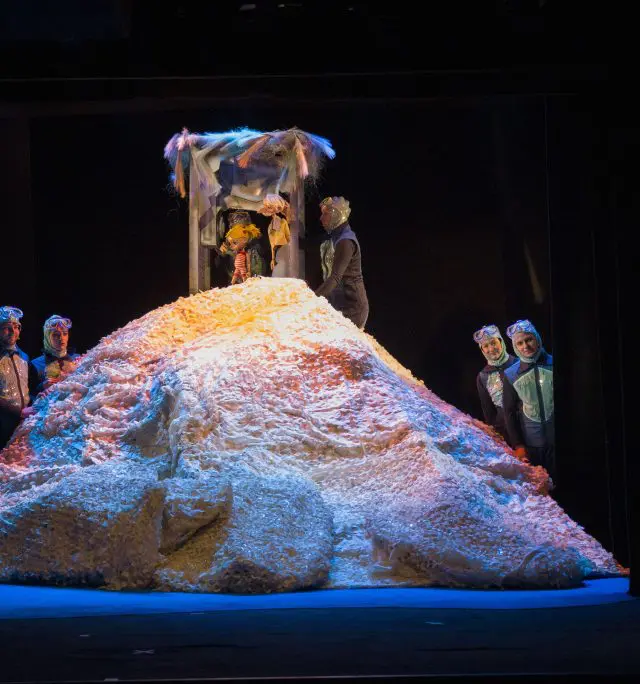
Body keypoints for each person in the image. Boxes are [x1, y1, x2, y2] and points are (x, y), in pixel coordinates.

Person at [503, 319, 555, 479]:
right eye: (519, 343)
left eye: (529, 339)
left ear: (537, 339)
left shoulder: (552, 364)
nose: (525, 346)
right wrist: (518, 444)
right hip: (532, 444)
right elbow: (509, 411)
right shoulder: (511, 374)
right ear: (515, 346)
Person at [315, 196, 369, 329]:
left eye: (325, 214)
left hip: (352, 307)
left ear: (336, 215)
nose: (321, 218)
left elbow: (335, 277)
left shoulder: (345, 241)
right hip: (341, 303)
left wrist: (311, 299)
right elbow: (312, 243)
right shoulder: (336, 236)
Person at [473, 324, 517, 444]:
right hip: (505, 433)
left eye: (493, 343)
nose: (491, 349)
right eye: (486, 346)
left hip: (527, 427)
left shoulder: (519, 364)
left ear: (501, 342)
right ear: (482, 350)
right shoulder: (482, 376)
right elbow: (489, 412)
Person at [0, 306, 36, 449]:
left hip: (23, 423)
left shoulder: (24, 357)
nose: (12, 331)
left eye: (16, 327)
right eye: (6, 328)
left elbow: (28, 387)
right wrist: (18, 412)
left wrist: (41, 390)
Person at [31, 315, 80, 395]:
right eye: (55, 335)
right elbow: (28, 394)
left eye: (65, 333)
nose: (61, 338)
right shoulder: (35, 364)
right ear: (47, 337)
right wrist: (42, 387)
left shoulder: (77, 359)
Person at [218, 212, 265, 285]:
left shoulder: (254, 245)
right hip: (234, 277)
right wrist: (222, 251)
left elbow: (257, 266)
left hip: (251, 280)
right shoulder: (231, 240)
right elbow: (223, 255)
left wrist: (251, 274)